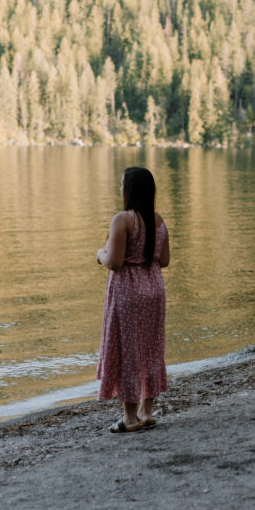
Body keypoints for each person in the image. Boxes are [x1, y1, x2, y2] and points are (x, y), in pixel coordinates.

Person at [96, 166, 170, 433]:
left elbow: (114, 262)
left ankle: (129, 419)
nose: (119, 189)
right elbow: (164, 260)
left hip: (128, 292)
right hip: (154, 291)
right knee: (150, 349)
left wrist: (99, 253)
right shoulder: (158, 220)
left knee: (128, 351)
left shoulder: (123, 219)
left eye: (121, 184)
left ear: (129, 190)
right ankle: (146, 412)